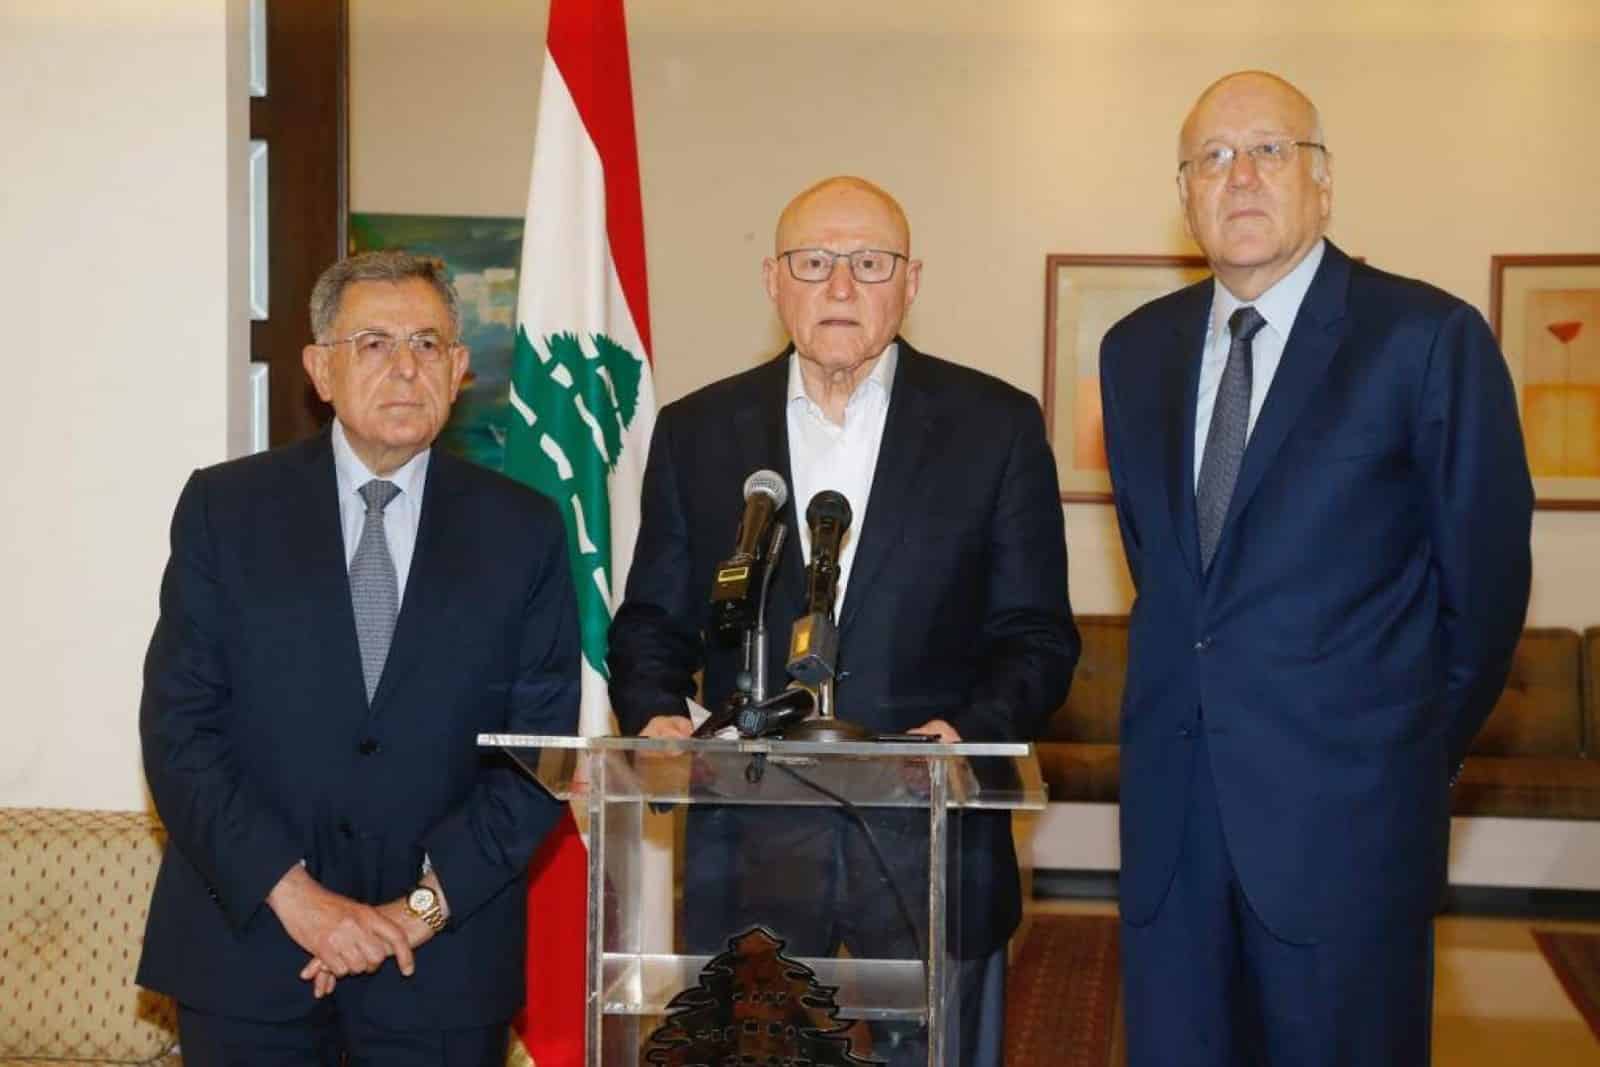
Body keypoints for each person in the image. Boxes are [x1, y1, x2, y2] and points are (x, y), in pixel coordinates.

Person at [1099, 71, 1533, 1066]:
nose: (1241, 176)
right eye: (1212, 157)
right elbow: (1168, 572)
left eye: (1270, 149)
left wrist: (1399, 755)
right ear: (1184, 193)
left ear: (1323, 181)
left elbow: (1483, 594)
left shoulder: (1426, 339)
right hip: (1174, 828)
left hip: (1349, 827)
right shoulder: (1134, 352)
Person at [608, 175, 1080, 1066]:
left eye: (869, 263)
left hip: (929, 837)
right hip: (749, 842)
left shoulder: (996, 427)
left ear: (911, 282)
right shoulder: (698, 431)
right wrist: (656, 711)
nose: (838, 286)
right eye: (813, 261)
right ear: (772, 280)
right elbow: (649, 626)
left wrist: (966, 733)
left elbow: (1038, 634)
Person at [137, 251, 580, 1065]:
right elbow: (179, 731)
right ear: (321, 369)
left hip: (441, 966)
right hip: (250, 951)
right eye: (374, 343)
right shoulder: (225, 510)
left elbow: (542, 756)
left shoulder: (525, 531)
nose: (405, 368)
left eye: (427, 343)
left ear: (459, 368)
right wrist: (300, 899)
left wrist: (420, 910)